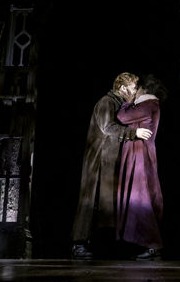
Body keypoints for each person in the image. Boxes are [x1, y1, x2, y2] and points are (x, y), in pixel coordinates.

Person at [71, 72, 152, 260]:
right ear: (122, 88)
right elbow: (107, 127)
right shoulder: (107, 102)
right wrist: (134, 133)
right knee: (91, 202)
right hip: (99, 161)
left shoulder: (118, 103)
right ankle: (78, 243)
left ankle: (105, 246)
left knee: (107, 206)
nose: (135, 91)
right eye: (132, 88)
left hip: (109, 160)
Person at [116, 74, 167, 260]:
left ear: (145, 89)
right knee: (138, 200)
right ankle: (145, 245)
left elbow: (122, 117)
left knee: (142, 199)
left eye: (136, 89)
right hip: (139, 155)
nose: (134, 92)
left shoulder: (147, 104)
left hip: (140, 156)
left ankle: (152, 246)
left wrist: (127, 103)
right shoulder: (148, 104)